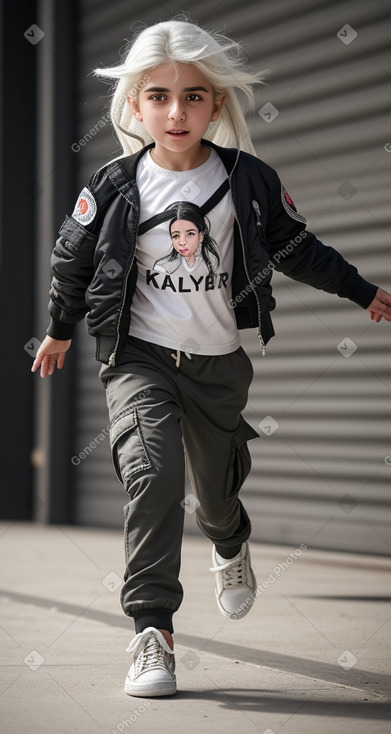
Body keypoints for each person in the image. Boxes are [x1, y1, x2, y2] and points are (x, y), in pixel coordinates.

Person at [31, 18, 391, 698]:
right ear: (135, 105)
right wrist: (58, 329)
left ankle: (230, 548)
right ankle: (151, 632)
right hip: (139, 359)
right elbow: (71, 264)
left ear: (216, 104)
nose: (176, 111)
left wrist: (360, 290)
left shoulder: (247, 180)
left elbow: (295, 247)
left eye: (193, 96)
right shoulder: (111, 185)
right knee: (152, 473)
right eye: (159, 97)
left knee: (216, 496)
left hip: (219, 364)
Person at [153, 201, 220, 276]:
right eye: (176, 236)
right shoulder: (162, 266)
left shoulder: (213, 261)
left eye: (190, 234)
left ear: (200, 236)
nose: (182, 242)